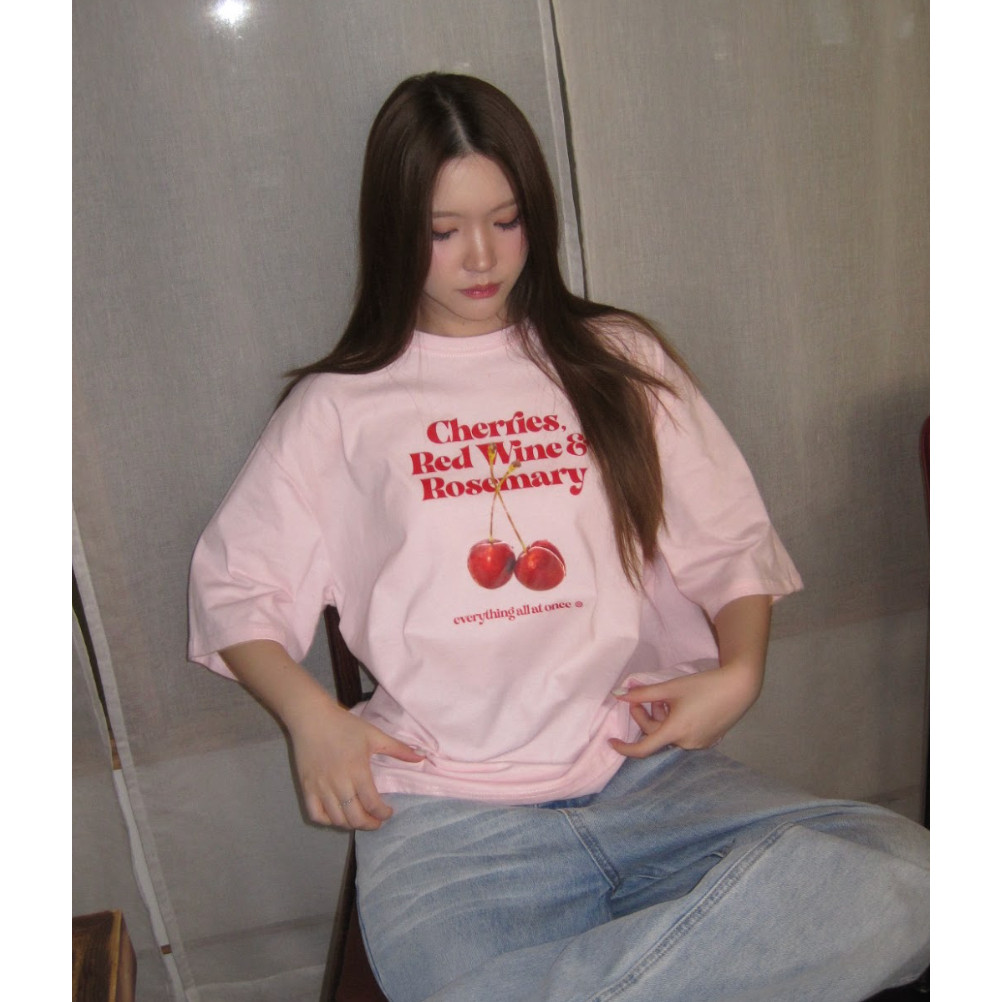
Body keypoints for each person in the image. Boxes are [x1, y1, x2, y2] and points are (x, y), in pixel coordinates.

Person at [188, 72, 929, 1002]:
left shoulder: (618, 361)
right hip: (451, 823)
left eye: (507, 220)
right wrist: (312, 719)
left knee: (912, 879)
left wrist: (740, 672)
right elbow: (237, 587)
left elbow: (729, 542)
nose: (481, 257)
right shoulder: (337, 408)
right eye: (442, 231)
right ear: (392, 230)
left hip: (647, 781)